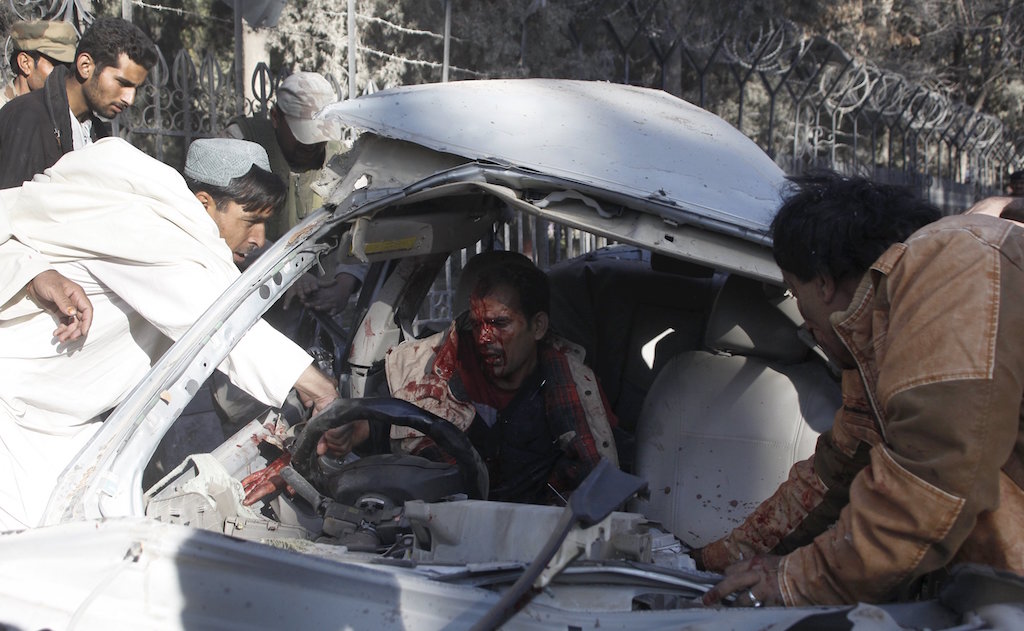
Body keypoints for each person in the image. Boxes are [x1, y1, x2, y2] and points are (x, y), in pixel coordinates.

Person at [696, 172, 1024, 607]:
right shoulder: (878, 345)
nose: (805, 319)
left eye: (795, 293)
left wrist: (793, 582)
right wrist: (712, 563)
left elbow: (933, 477)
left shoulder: (951, 259)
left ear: (824, 283)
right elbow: (829, 479)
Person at [0, 137, 346, 530]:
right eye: (251, 221)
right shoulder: (148, 230)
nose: (259, 239)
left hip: (57, 423)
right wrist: (319, 389)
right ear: (204, 204)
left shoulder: (171, 231)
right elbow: (215, 320)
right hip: (15, 414)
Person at [285, 251, 618, 506]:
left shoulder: (571, 384)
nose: (485, 338)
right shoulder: (421, 369)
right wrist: (348, 432)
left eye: (500, 324)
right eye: (477, 324)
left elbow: (598, 479)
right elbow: (379, 428)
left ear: (538, 327)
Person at [223, 70, 363, 316]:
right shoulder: (243, 142)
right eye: (303, 135)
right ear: (276, 117)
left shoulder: (342, 159)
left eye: (319, 137)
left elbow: (363, 225)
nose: (312, 146)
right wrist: (284, 271)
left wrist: (345, 283)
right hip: (249, 304)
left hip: (317, 308)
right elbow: (223, 222)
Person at [0, 16, 156, 188]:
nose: (129, 99)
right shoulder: (27, 117)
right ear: (85, 66)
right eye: (122, 83)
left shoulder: (96, 133)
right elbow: (11, 205)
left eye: (136, 89)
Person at [0, 20, 78, 108]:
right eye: (56, 64)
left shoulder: (66, 111)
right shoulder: (3, 112)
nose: (64, 73)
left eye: (69, 66)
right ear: (25, 63)